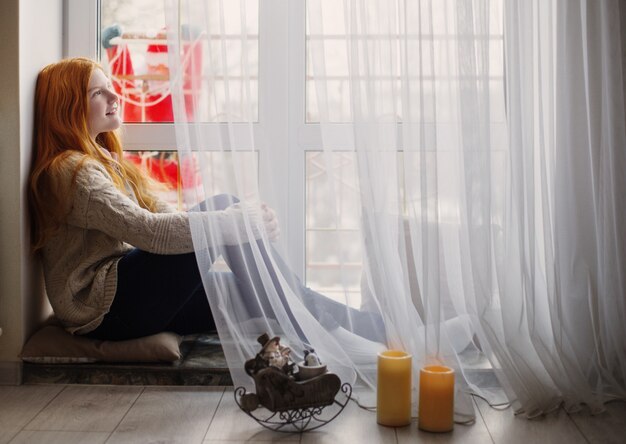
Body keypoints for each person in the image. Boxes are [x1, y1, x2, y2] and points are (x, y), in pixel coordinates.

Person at [28, 57, 386, 352]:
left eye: (110, 85)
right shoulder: (71, 171)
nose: (114, 94)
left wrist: (240, 224)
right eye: (97, 92)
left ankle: (368, 331)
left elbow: (163, 214)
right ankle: (359, 335)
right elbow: (149, 232)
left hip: (127, 300)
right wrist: (235, 222)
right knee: (224, 207)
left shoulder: (102, 160)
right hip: (105, 309)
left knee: (251, 294)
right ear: (68, 107)